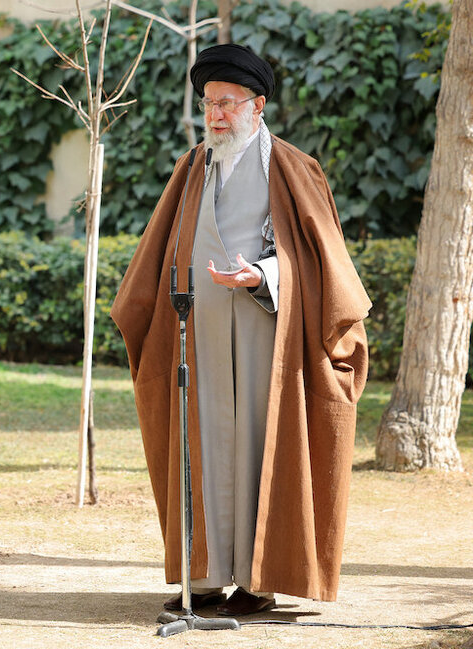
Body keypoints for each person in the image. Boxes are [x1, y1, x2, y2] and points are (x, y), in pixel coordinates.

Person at [110, 44, 371, 617]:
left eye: (228, 103)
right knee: (201, 448)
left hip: (267, 336)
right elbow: (159, 254)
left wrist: (265, 274)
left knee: (261, 448)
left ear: (257, 105)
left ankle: (259, 581)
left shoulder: (294, 169)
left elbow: (321, 263)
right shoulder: (191, 169)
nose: (216, 115)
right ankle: (200, 579)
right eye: (208, 104)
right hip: (197, 336)